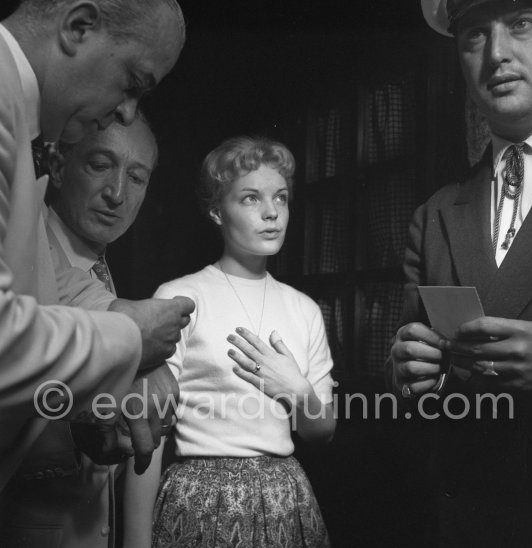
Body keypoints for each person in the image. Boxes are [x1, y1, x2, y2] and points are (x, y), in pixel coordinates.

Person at [0, 0, 192, 503]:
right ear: (78, 27)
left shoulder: (22, 122)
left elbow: (51, 282)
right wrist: (132, 339)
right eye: (132, 82)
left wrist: (126, 329)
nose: (128, 111)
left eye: (136, 177)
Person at [388, 0, 532, 545]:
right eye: (475, 36)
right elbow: (417, 394)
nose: (497, 53)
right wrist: (412, 371)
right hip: (466, 520)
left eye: (522, 24)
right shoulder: (435, 214)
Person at [122, 136, 336, 548]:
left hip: (284, 503)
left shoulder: (304, 309)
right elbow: (147, 432)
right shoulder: (179, 298)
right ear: (218, 211)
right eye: (251, 199)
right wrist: (135, 542)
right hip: (198, 502)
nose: (272, 212)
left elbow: (322, 431)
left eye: (282, 198)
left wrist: (296, 390)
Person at [0, 114, 160, 548]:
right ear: (58, 166)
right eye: (100, 164)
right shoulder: (23, 255)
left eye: (137, 177)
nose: (117, 193)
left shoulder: (103, 273)